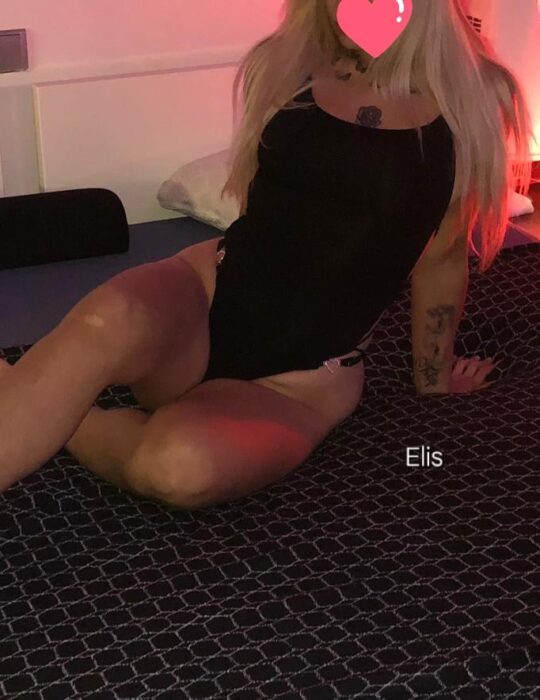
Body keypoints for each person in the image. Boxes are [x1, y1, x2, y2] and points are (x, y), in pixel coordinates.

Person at [0, 0, 534, 508]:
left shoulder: (472, 99)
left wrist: (434, 386)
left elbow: (442, 258)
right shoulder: (286, 64)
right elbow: (269, 208)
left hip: (302, 382)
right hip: (205, 299)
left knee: (178, 466)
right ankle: (42, 403)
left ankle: (61, 413)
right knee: (109, 316)